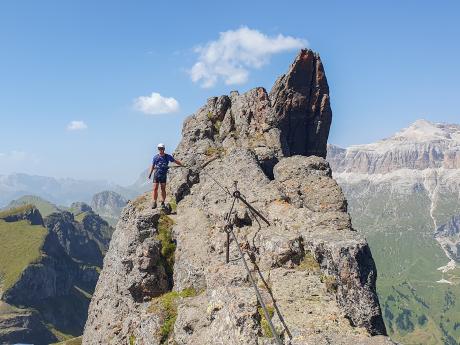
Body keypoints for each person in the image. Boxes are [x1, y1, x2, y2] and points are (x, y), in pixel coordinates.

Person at [148, 143, 183, 209]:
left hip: (163, 175)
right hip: (156, 174)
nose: (160, 150)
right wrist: (150, 174)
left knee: (163, 189)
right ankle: (154, 202)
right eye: (159, 148)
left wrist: (181, 164)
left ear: (164, 149)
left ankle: (162, 202)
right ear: (158, 149)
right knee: (155, 189)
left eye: (161, 148)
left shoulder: (167, 156)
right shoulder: (155, 157)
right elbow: (152, 166)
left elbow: (174, 161)